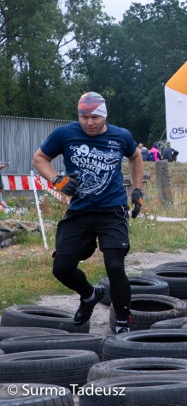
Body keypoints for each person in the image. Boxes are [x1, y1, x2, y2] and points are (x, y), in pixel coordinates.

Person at [31, 92, 144, 334]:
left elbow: (135, 157)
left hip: (112, 210)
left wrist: (137, 191)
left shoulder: (121, 136)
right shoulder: (65, 134)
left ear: (104, 116)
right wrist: (57, 179)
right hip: (80, 211)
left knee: (115, 267)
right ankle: (89, 295)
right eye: (84, 117)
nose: (89, 122)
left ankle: (123, 321)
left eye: (94, 117)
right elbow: (39, 159)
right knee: (61, 268)